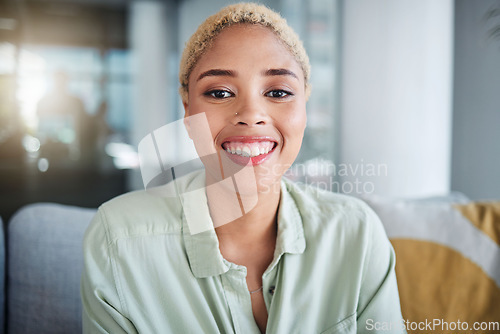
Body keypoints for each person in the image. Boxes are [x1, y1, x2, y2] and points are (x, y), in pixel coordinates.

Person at [81, 3, 405, 333]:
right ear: (187, 113)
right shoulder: (117, 241)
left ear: (304, 110)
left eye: (278, 92)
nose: (251, 114)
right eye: (220, 92)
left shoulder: (357, 234)